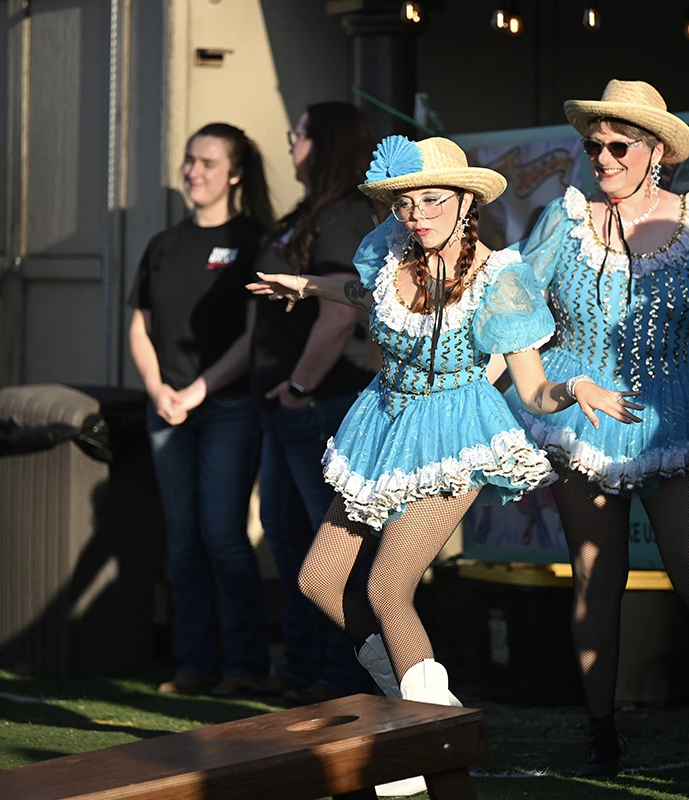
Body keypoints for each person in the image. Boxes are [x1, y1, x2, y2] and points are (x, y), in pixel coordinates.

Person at [249, 135, 641, 796]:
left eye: (433, 200)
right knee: (320, 580)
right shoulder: (388, 248)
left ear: (465, 201)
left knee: (386, 589)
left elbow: (533, 388)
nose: (418, 214)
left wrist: (574, 388)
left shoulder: (499, 278)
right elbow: (361, 292)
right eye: (406, 203)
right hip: (381, 425)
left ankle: (424, 745)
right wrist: (305, 283)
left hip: (455, 434)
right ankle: (425, 708)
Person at [498, 79, 689, 778]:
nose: (604, 158)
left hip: (676, 408)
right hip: (585, 412)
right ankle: (601, 733)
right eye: (595, 146)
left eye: (619, 146)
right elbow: (513, 302)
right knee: (596, 577)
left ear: (656, 152)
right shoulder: (566, 219)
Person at [128, 123, 275, 695]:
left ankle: (245, 667)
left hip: (228, 408)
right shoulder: (164, 244)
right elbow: (140, 324)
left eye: (208, 163)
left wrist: (197, 392)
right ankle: (193, 664)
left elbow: (253, 334)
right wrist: (157, 389)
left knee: (222, 534)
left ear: (235, 174)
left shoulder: (254, 241)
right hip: (166, 408)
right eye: (190, 160)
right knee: (184, 537)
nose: (193, 171)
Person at [250, 102, 381, 703]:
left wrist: (299, 389)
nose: (290, 144)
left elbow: (339, 312)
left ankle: (342, 673)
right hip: (287, 403)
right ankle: (302, 666)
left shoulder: (346, 215)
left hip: (321, 401)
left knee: (329, 544)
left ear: (324, 144)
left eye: (298, 134)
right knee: (285, 531)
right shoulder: (309, 213)